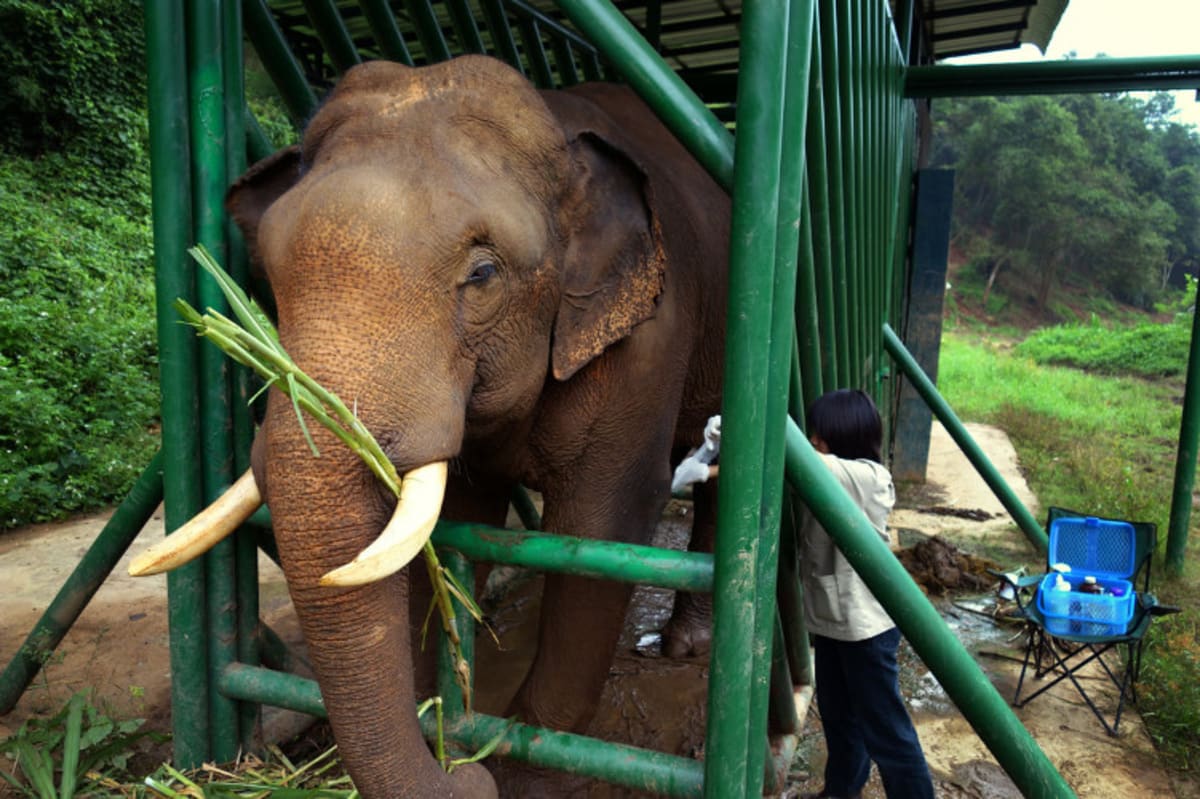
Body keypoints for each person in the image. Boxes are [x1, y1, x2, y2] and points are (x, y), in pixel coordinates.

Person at [798, 389, 935, 799]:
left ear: (843, 435)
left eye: (819, 433)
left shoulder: (867, 478)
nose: (813, 440)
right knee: (841, 721)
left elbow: (805, 459)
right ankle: (840, 792)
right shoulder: (834, 471)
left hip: (866, 630)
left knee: (886, 731)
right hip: (834, 622)